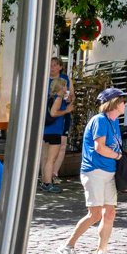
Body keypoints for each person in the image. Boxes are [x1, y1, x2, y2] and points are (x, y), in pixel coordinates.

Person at [61, 87, 126, 254]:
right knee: (95, 214)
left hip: (109, 172)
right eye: (123, 101)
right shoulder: (100, 120)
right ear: (114, 103)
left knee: (109, 213)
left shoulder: (114, 122)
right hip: (94, 171)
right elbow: (100, 148)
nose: (126, 104)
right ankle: (67, 246)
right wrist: (118, 156)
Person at [40, 57, 73, 193]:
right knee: (51, 159)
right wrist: (66, 111)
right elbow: (54, 113)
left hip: (46, 128)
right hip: (54, 129)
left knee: (46, 157)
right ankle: (48, 183)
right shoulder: (58, 98)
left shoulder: (52, 97)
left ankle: (44, 181)